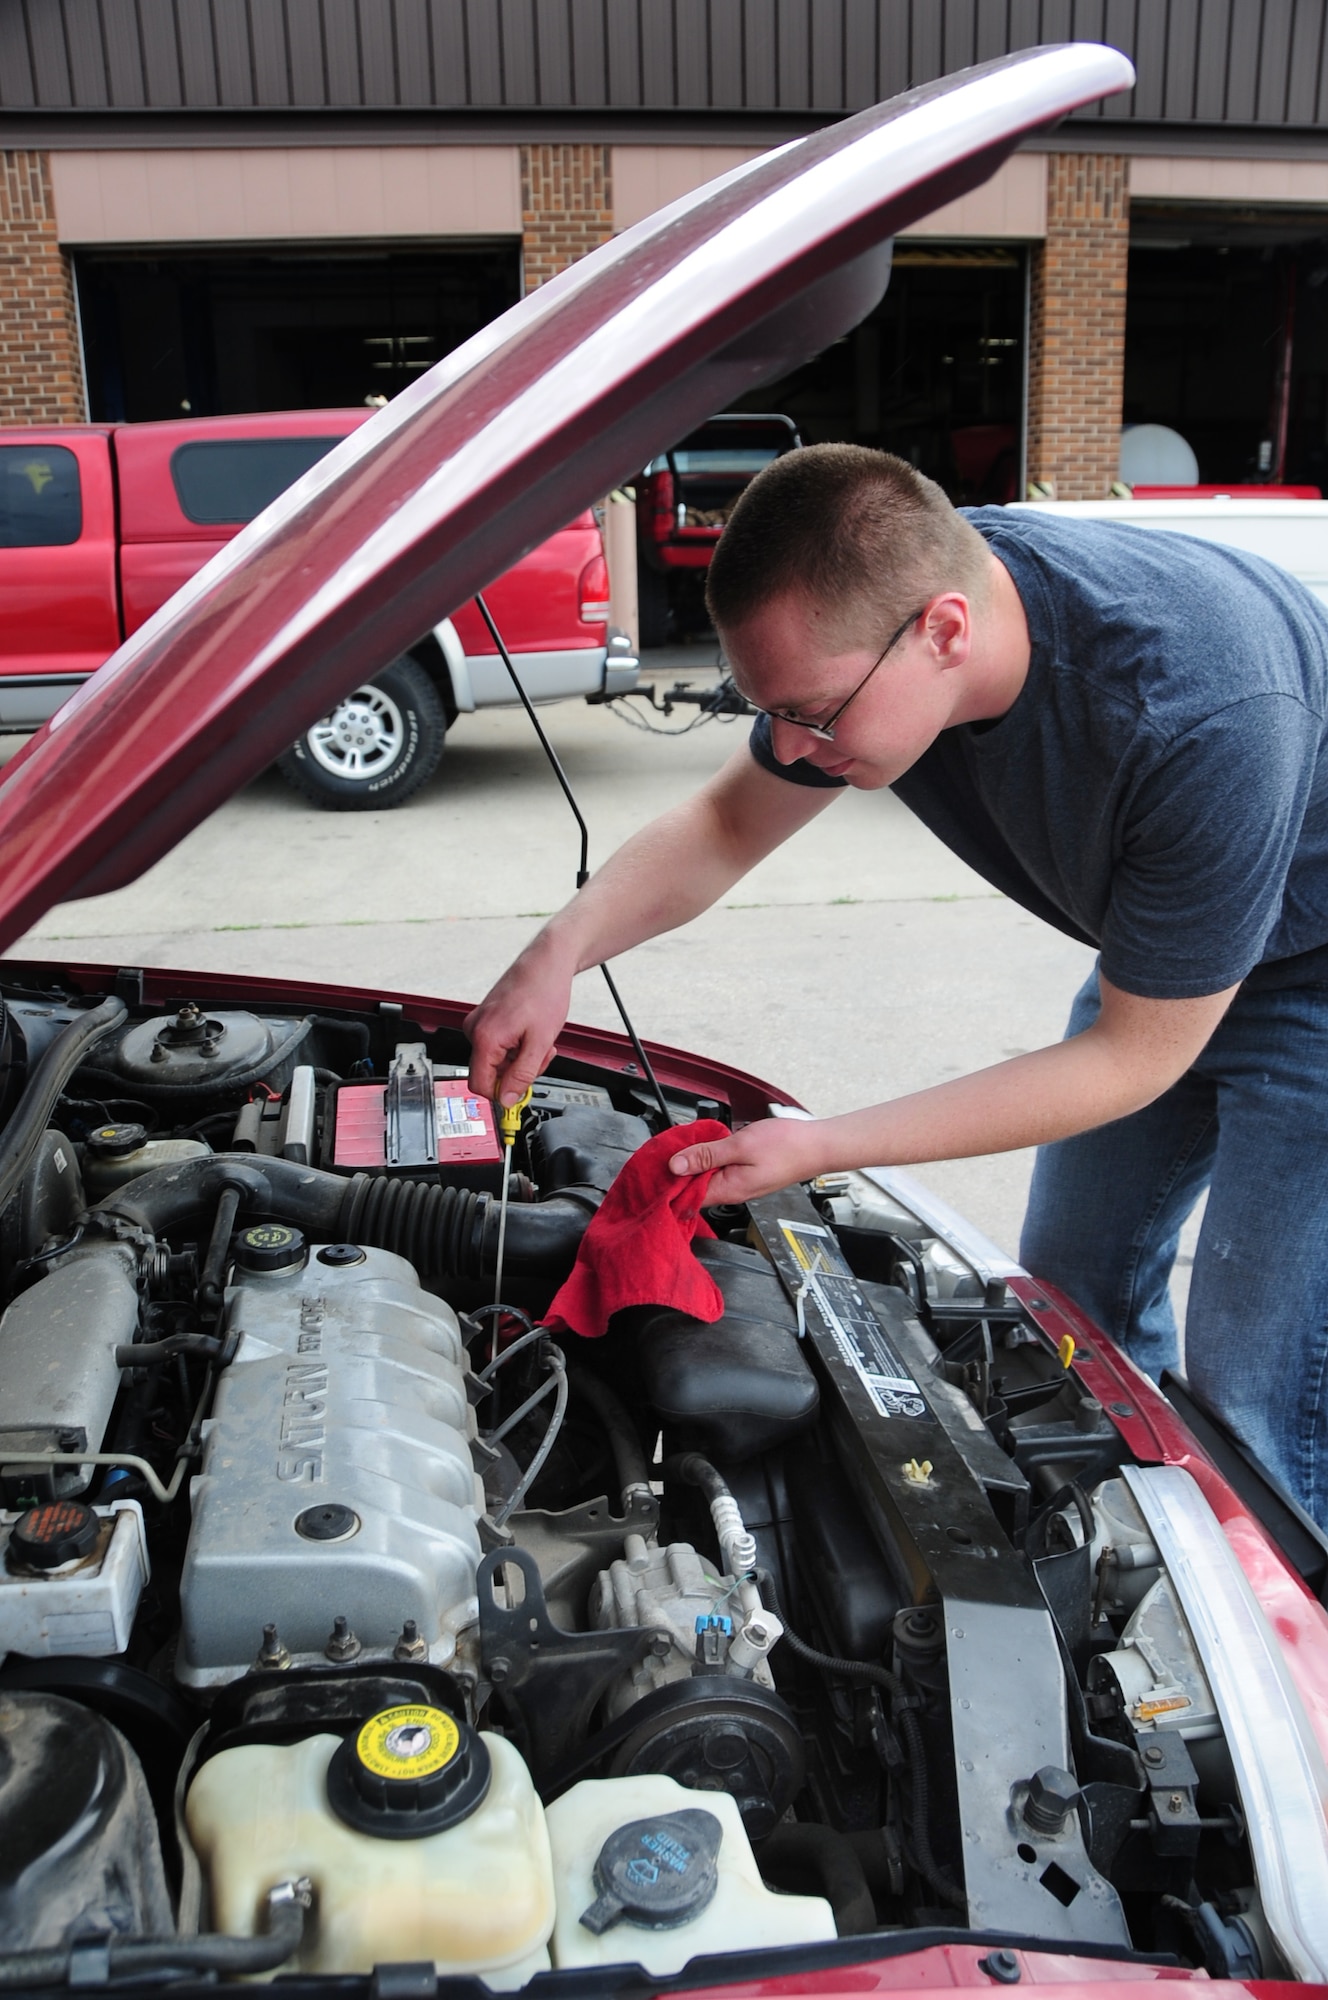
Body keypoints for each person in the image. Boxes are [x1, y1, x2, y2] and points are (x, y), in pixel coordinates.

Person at [466, 444, 1328, 1526]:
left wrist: (822, 1141)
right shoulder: (889, 594)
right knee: (1069, 1289)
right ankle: (1127, 1527)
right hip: (1169, 953)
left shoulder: (1197, 709)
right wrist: (557, 953)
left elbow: (1131, 1054)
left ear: (944, 632)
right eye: (766, 705)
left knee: (1256, 1378)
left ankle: (1289, 1641)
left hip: (1310, 975)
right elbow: (729, 821)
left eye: (814, 711)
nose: (788, 742)